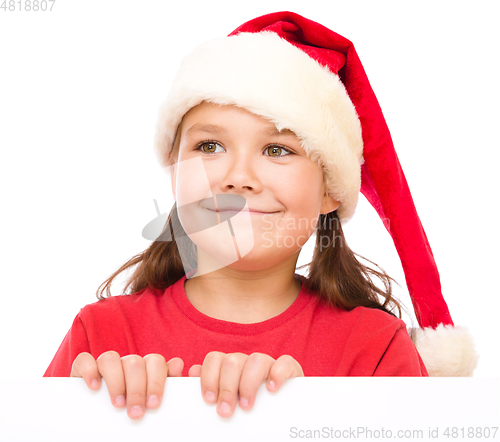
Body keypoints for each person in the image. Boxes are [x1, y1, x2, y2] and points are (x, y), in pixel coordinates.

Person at [44, 11, 478, 421]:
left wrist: (301, 418)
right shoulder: (99, 340)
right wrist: (102, 419)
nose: (238, 178)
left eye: (277, 150)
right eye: (209, 146)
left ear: (330, 189)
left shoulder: (377, 350)